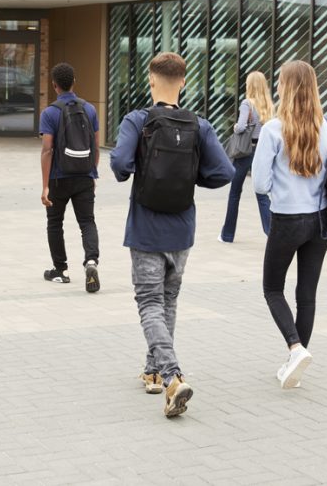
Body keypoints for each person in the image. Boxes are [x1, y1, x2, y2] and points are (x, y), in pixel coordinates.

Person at [110, 52, 234, 417]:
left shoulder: (138, 120)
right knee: (168, 301)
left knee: (149, 303)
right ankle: (152, 372)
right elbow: (224, 172)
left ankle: (172, 376)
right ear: (183, 81)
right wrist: (190, 177)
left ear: (151, 80)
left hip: (146, 227)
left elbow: (119, 163)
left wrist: (134, 172)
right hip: (182, 229)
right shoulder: (201, 126)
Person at [252, 61, 327, 389]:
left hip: (287, 218)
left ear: (286, 88)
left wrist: (283, 187)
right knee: (307, 293)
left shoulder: (274, 129)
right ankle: (296, 363)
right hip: (322, 219)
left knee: (272, 288)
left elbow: (260, 184)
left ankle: (295, 348)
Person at [39, 62, 101, 291]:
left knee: (55, 222)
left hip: (58, 177)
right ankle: (91, 261)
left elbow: (47, 150)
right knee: (87, 221)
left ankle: (60, 270)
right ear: (74, 81)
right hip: (84, 176)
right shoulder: (90, 110)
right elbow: (95, 146)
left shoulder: (50, 113)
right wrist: (92, 174)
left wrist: (45, 186)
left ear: (54, 85)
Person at [219, 71, 274, 243]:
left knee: (235, 193)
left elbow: (241, 127)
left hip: (245, 152)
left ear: (250, 85)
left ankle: (227, 235)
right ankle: (272, 233)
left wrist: (235, 126)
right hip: (261, 151)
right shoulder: (268, 105)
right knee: (261, 193)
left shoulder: (246, 103)